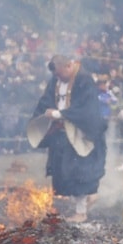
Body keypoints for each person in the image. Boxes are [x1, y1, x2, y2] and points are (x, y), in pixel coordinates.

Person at [27, 55, 107, 222]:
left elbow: (87, 108)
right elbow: (46, 101)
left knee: (79, 173)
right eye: (56, 74)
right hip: (61, 135)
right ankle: (87, 199)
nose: (58, 77)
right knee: (63, 173)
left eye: (60, 73)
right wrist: (40, 118)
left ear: (69, 66)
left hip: (80, 134)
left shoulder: (84, 80)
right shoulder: (55, 81)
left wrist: (59, 114)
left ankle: (81, 212)